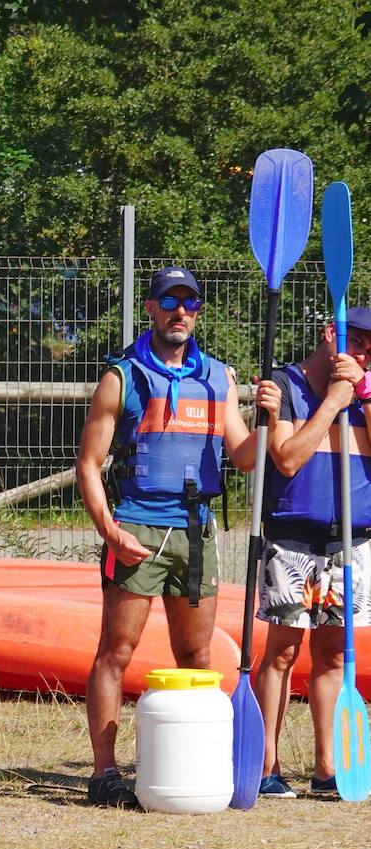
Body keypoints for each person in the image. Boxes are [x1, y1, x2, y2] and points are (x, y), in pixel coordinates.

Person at [77, 265, 260, 807]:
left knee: (197, 651)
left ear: (199, 311)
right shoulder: (123, 375)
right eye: (170, 301)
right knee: (117, 650)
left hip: (197, 530)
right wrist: (110, 531)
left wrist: (268, 419)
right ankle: (104, 772)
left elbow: (245, 457)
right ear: (151, 309)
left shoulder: (219, 378)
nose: (181, 312)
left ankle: (193, 761)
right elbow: (88, 464)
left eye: (191, 303)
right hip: (136, 524)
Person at [251, 307, 371, 798]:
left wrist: (361, 392)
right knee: (280, 655)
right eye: (359, 342)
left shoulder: (367, 392)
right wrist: (333, 402)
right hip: (292, 541)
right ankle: (266, 768)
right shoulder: (284, 383)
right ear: (332, 336)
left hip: (351, 542)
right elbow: (288, 457)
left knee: (331, 658)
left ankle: (328, 770)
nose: (365, 354)